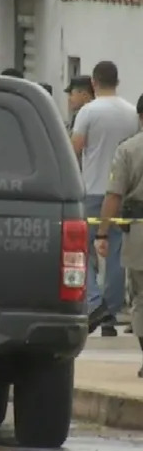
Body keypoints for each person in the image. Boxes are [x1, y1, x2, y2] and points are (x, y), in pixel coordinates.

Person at [72, 61, 139, 336]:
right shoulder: (131, 112)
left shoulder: (88, 111)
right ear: (117, 81)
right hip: (120, 194)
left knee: (81, 252)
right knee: (114, 254)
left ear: (94, 84)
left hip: (92, 190)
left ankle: (95, 301)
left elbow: (74, 148)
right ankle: (110, 313)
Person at [92, 122, 143, 377]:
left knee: (140, 295)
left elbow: (114, 195)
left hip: (139, 231)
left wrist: (102, 232)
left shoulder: (128, 149)